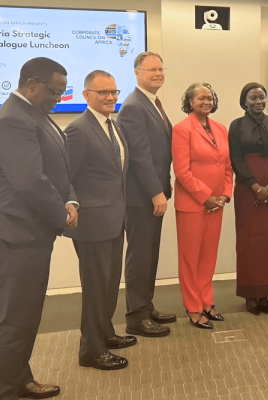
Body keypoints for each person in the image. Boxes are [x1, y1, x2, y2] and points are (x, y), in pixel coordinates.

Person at [0, 57, 78, 400]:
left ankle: (20, 378)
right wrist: (60, 213)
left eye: (63, 92)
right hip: (20, 234)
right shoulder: (14, 119)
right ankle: (8, 389)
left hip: (33, 232)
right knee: (16, 319)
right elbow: (29, 181)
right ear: (32, 84)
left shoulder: (34, 114)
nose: (59, 98)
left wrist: (69, 200)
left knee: (27, 314)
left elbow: (58, 165)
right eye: (55, 91)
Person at [64, 70, 134, 371]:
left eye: (114, 92)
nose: (111, 98)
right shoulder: (79, 129)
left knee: (107, 285)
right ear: (86, 95)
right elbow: (65, 174)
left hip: (115, 221)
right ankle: (90, 351)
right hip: (92, 224)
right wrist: (72, 204)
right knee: (95, 289)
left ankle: (105, 334)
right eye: (104, 92)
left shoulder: (112, 125)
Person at [117, 52, 175, 338]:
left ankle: (146, 306)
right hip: (142, 197)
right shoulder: (133, 106)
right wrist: (156, 192)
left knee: (150, 254)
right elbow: (139, 157)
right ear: (137, 73)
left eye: (161, 69)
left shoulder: (152, 102)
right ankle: (136, 317)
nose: (158, 73)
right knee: (140, 256)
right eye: (151, 69)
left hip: (154, 193)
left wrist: (165, 186)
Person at [173, 83, 233, 329]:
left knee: (208, 257)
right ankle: (194, 307)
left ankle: (207, 301)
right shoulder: (182, 129)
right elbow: (182, 171)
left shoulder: (220, 128)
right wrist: (206, 196)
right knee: (190, 258)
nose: (206, 102)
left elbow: (227, 167)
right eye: (200, 98)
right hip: (192, 205)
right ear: (190, 102)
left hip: (217, 204)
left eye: (210, 98)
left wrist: (225, 195)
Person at [229, 82, 268, 315]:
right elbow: (235, 158)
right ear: (245, 101)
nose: (258, 101)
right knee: (248, 242)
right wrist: (254, 186)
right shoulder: (236, 125)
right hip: (246, 187)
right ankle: (250, 293)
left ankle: (266, 292)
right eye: (253, 98)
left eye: (262, 97)